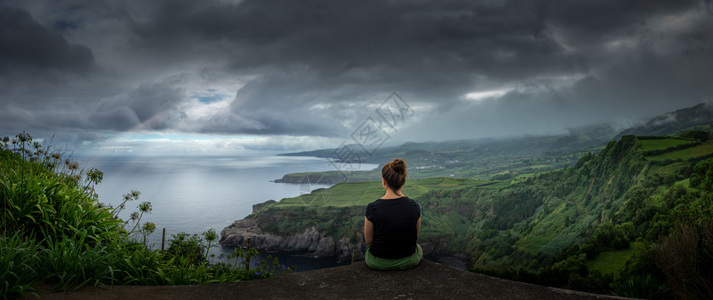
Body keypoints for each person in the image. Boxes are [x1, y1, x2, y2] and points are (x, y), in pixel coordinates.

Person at [363, 158, 422, 270]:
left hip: (379, 262)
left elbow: (368, 240)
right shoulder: (414, 206)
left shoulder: (373, 208)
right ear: (402, 181)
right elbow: (414, 236)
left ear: (383, 181)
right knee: (418, 248)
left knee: (368, 249)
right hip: (408, 260)